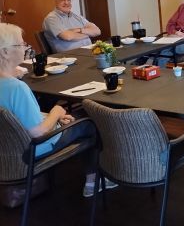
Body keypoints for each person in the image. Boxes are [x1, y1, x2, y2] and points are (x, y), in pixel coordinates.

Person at [0, 23, 116, 198]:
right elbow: (37, 132)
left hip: (8, 152)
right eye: (20, 44)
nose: (25, 47)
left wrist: (51, 116)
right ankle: (94, 182)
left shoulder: (8, 84)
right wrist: (56, 112)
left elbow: (16, 119)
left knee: (69, 117)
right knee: (89, 120)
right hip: (34, 148)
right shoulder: (17, 88)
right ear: (5, 52)